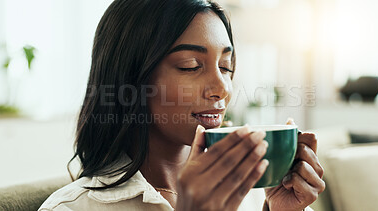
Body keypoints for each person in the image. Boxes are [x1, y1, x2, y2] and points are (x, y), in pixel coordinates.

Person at [39, 0, 325, 210]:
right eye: (190, 66)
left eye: (225, 67)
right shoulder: (71, 208)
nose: (222, 89)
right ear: (130, 79)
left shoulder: (254, 193)